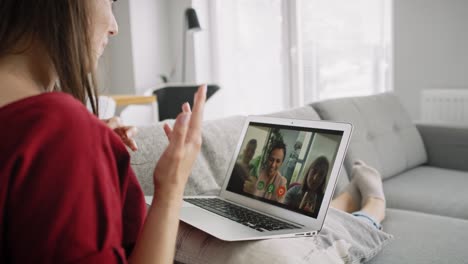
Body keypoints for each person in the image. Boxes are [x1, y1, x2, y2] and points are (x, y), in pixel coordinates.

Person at [0, 1, 206, 263]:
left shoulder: (52, 134)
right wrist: (172, 185)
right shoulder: (61, 131)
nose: (114, 28)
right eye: (110, 1)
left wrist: (89, 148)